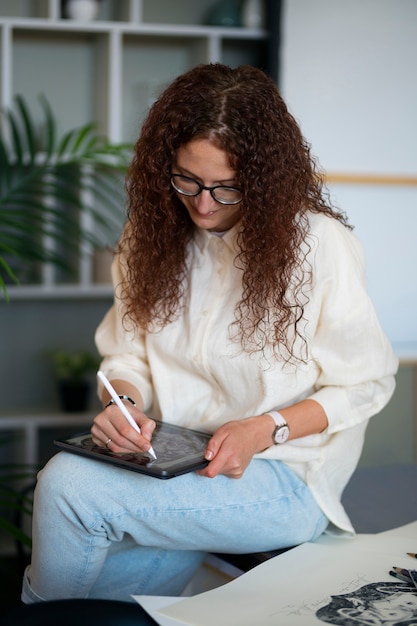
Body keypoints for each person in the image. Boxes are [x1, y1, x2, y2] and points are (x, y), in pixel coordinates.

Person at [22, 63, 398, 603]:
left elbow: (367, 384)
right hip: (172, 465)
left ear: (265, 177)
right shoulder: (149, 239)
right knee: (103, 598)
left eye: (226, 188)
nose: (202, 204)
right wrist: (122, 406)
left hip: (286, 477)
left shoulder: (318, 245)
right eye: (187, 180)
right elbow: (125, 357)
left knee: (66, 487)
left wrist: (265, 428)